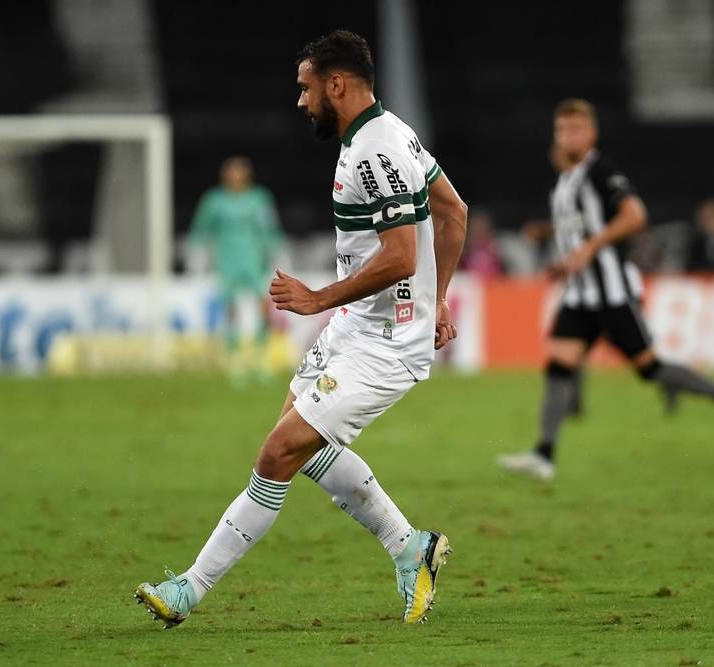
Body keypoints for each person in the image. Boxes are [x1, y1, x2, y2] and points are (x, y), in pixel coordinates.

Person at [136, 30, 468, 627]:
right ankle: (408, 547)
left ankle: (189, 589)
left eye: (305, 86)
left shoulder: (377, 150)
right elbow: (453, 212)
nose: (300, 100)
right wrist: (438, 298)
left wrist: (319, 298)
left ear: (335, 83)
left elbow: (400, 256)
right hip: (359, 325)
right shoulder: (388, 134)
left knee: (278, 452)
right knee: (301, 442)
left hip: (386, 341)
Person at [497, 99, 714, 482]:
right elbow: (577, 227)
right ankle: (544, 454)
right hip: (581, 295)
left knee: (650, 368)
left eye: (573, 129)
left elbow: (636, 215)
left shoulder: (601, 172)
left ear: (591, 133)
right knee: (558, 364)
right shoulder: (567, 182)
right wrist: (557, 246)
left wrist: (591, 247)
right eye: (560, 129)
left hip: (612, 293)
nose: (565, 136)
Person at [188, 157, 283, 382]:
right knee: (231, 309)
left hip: (254, 259)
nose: (235, 176)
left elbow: (270, 228)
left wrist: (277, 252)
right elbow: (201, 228)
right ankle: (234, 360)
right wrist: (197, 254)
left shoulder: (259, 198)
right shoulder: (214, 200)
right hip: (227, 260)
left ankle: (261, 358)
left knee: (263, 307)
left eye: (239, 172)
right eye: (232, 172)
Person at [459, 209, 504, 278]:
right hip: (469, 283)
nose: (478, 230)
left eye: (481, 226)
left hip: (493, 283)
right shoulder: (464, 250)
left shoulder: (497, 249)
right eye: (475, 227)